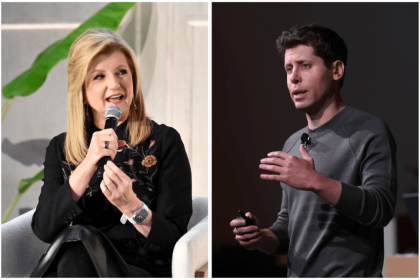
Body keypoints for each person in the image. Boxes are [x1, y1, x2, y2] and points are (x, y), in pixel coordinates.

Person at [230, 23, 397, 277]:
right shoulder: (292, 143)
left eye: (305, 66)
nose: (293, 77)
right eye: (288, 68)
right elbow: (289, 227)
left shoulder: (369, 131)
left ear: (337, 70)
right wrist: (262, 237)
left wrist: (315, 181)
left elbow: (380, 208)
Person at [30, 28, 192, 277]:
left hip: (135, 268)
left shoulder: (164, 142)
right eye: (99, 77)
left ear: (133, 79)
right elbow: (43, 229)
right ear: (82, 91)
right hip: (74, 263)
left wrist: (132, 207)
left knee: (78, 255)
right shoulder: (60, 148)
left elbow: (176, 242)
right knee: (77, 251)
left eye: (121, 72)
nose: (114, 84)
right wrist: (87, 165)